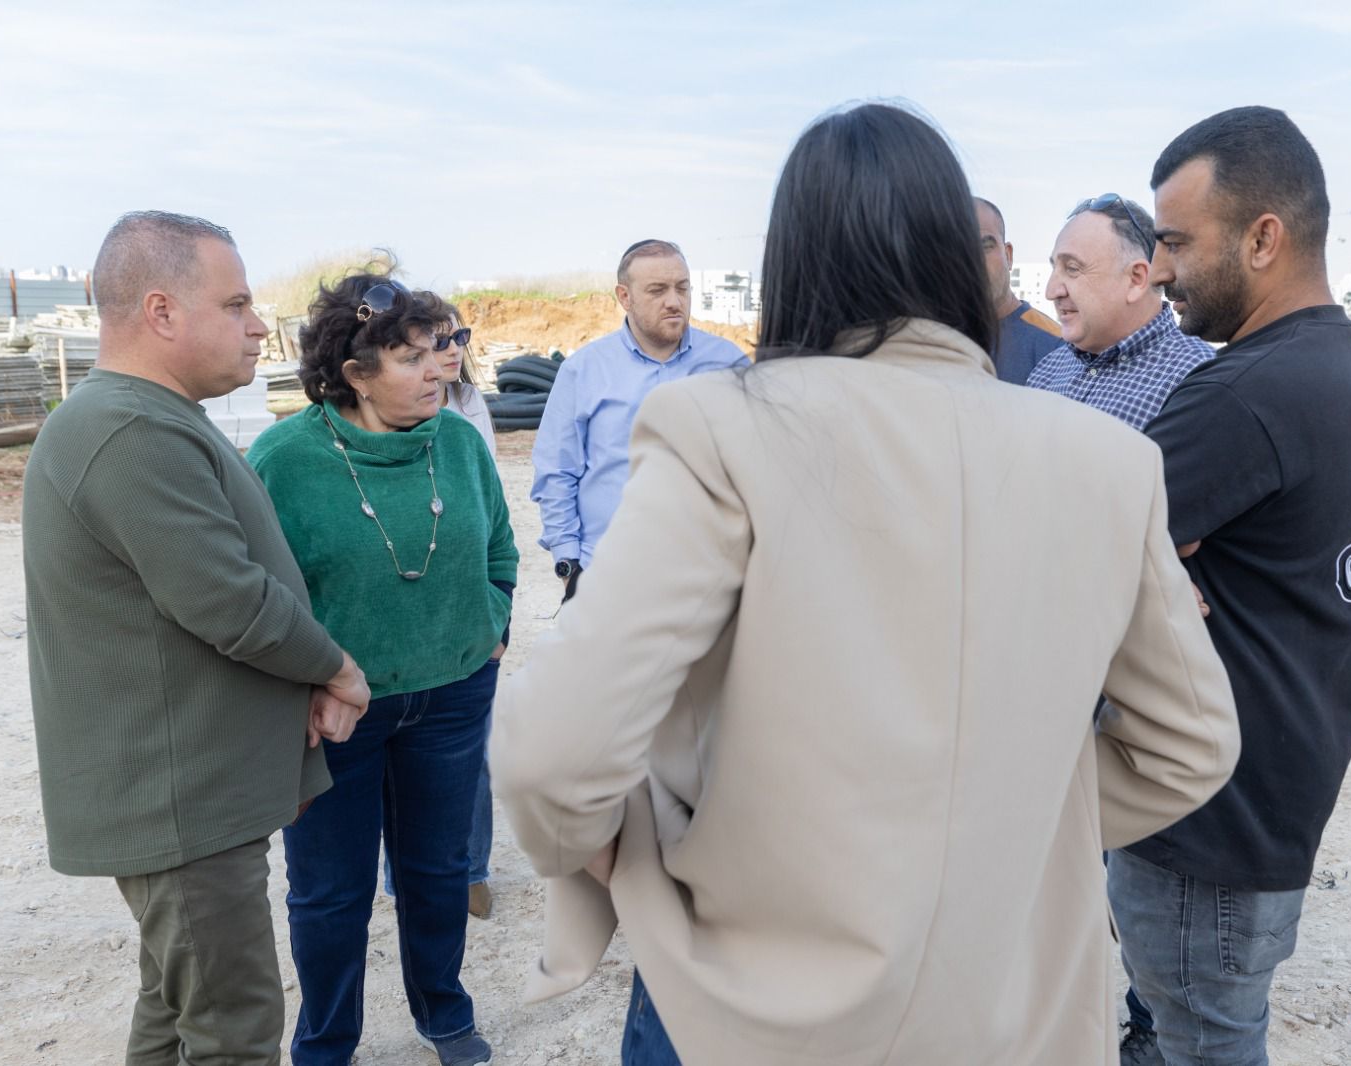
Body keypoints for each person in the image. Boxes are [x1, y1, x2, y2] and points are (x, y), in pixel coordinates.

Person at [491, 102, 1241, 1066]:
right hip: (1014, 1014)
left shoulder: (722, 427)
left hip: (754, 1007)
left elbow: (552, 751)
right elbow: (1189, 746)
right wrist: (990, 812)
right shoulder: (1107, 462)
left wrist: (626, 855)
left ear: (790, 259)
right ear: (961, 258)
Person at [22, 210, 371, 1066]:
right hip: (180, 808)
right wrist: (337, 669)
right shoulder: (129, 431)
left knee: (177, 1015)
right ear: (162, 311)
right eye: (238, 304)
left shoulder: (150, 418)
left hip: (191, 798)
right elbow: (231, 602)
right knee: (233, 1031)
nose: (257, 327)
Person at [1110, 106, 1351, 1066]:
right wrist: (1150, 564)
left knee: (1203, 1044)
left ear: (1264, 237)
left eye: (1178, 241)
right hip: (1270, 794)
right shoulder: (1328, 361)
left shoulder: (1246, 394)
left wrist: (1134, 568)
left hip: (1207, 827)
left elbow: (1076, 545)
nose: (1163, 268)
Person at [247, 274, 518, 1066]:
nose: (441, 369)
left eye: (446, 347)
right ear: (354, 370)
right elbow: (260, 593)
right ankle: (327, 1041)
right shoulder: (285, 460)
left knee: (438, 870)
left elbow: (500, 543)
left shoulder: (461, 442)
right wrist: (303, 684)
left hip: (455, 695)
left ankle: (445, 1012)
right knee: (331, 893)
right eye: (414, 356)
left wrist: (493, 621)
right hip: (337, 712)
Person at [530, 240, 748, 599]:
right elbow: (556, 471)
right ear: (624, 296)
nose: (674, 301)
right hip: (607, 579)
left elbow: (754, 467)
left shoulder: (729, 365)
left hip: (707, 579)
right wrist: (569, 567)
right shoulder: (583, 371)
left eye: (682, 288)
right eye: (657, 290)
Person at [383, 309, 501, 920]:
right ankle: (403, 876)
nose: (449, 353)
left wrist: (496, 618)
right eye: (431, 344)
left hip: (466, 624)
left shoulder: (467, 406)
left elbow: (494, 523)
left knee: (468, 758)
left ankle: (470, 870)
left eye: (457, 339)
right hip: (407, 632)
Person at [1028, 194, 1213, 428]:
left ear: (1136, 279)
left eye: (1072, 268)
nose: (1051, 291)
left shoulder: (1199, 381)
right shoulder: (1046, 371)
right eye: (1055, 268)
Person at [975, 196, 1062, 383]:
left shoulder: (1057, 346)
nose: (974, 261)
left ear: (1008, 255)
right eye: (960, 250)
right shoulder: (930, 342)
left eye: (984, 247)